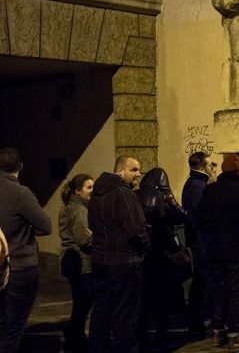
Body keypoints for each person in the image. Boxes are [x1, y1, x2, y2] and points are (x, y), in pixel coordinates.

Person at [195, 154, 239, 352]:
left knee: (218, 289)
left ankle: (216, 332)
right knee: (235, 291)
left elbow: (198, 217)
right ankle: (233, 335)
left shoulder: (211, 190)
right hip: (236, 249)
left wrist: (211, 232)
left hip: (215, 247)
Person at [88, 156, 148, 353]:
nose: (138, 174)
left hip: (100, 260)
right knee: (125, 314)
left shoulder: (96, 193)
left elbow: (92, 225)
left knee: (102, 310)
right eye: (134, 170)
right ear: (119, 171)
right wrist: (146, 244)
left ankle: (97, 348)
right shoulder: (124, 194)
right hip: (124, 261)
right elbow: (135, 230)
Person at [0, 147, 52, 353]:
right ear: (20, 167)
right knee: (13, 327)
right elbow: (45, 226)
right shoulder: (20, 193)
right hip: (19, 266)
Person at [136, 167, 190, 344]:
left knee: (144, 298)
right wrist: (169, 197)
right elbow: (182, 216)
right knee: (163, 298)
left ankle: (141, 335)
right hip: (161, 253)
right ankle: (161, 333)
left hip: (142, 254)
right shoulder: (161, 199)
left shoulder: (135, 195)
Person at [182, 151, 217, 337]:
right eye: (210, 165)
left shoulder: (195, 184)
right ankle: (201, 320)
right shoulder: (198, 186)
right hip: (202, 241)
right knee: (206, 281)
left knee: (202, 281)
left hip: (200, 240)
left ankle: (198, 318)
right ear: (203, 167)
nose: (213, 168)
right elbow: (202, 214)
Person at [59, 173, 95, 352]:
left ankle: (74, 336)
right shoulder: (79, 209)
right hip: (81, 262)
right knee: (83, 303)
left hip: (73, 261)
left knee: (81, 303)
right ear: (77, 191)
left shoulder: (70, 206)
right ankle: (75, 337)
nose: (92, 191)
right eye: (89, 187)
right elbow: (84, 239)